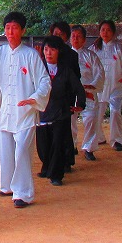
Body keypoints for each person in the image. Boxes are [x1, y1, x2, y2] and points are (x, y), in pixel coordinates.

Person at [0, 12, 49, 208]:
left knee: (22, 153)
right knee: (6, 152)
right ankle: (8, 186)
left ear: (23, 31)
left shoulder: (31, 55)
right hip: (4, 112)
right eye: (8, 28)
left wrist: (35, 97)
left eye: (15, 28)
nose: (10, 32)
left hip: (25, 113)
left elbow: (44, 81)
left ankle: (23, 193)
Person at [36, 35, 85, 187]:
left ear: (59, 51)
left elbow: (78, 88)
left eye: (52, 49)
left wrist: (80, 104)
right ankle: (47, 166)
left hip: (60, 113)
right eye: (46, 49)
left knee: (57, 144)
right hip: (42, 113)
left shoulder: (65, 70)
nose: (48, 53)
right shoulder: (37, 69)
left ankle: (56, 175)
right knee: (43, 145)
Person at [95, 21, 122, 151]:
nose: (105, 33)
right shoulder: (94, 49)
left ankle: (117, 140)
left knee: (115, 112)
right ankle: (99, 137)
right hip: (99, 88)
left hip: (116, 87)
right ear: (99, 32)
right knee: (96, 114)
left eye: (108, 30)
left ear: (113, 32)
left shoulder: (118, 49)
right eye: (103, 30)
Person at [70, 24, 106, 161]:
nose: (76, 39)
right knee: (69, 121)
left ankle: (89, 148)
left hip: (88, 94)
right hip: (71, 94)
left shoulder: (90, 56)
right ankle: (71, 145)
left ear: (84, 40)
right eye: (73, 36)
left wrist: (91, 87)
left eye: (79, 36)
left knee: (91, 119)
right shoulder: (65, 56)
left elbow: (99, 74)